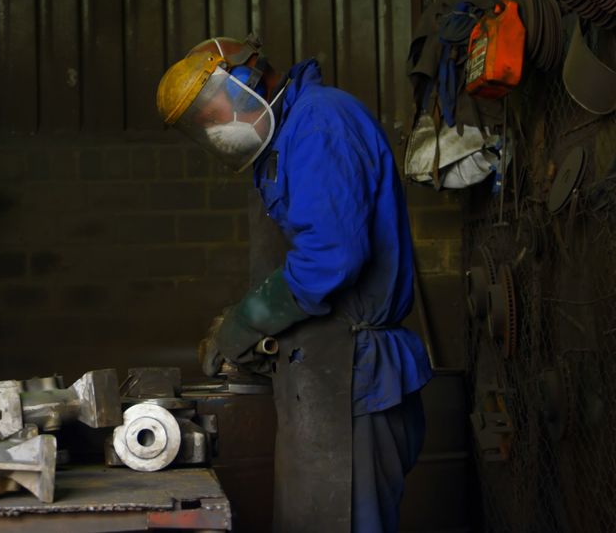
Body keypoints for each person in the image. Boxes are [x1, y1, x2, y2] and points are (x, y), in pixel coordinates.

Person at [156, 35, 433, 533]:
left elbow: (332, 257)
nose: (213, 128)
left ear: (244, 79)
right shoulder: (285, 140)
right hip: (332, 375)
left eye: (210, 111)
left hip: (357, 375)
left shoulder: (319, 124)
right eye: (201, 125)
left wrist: (248, 319)